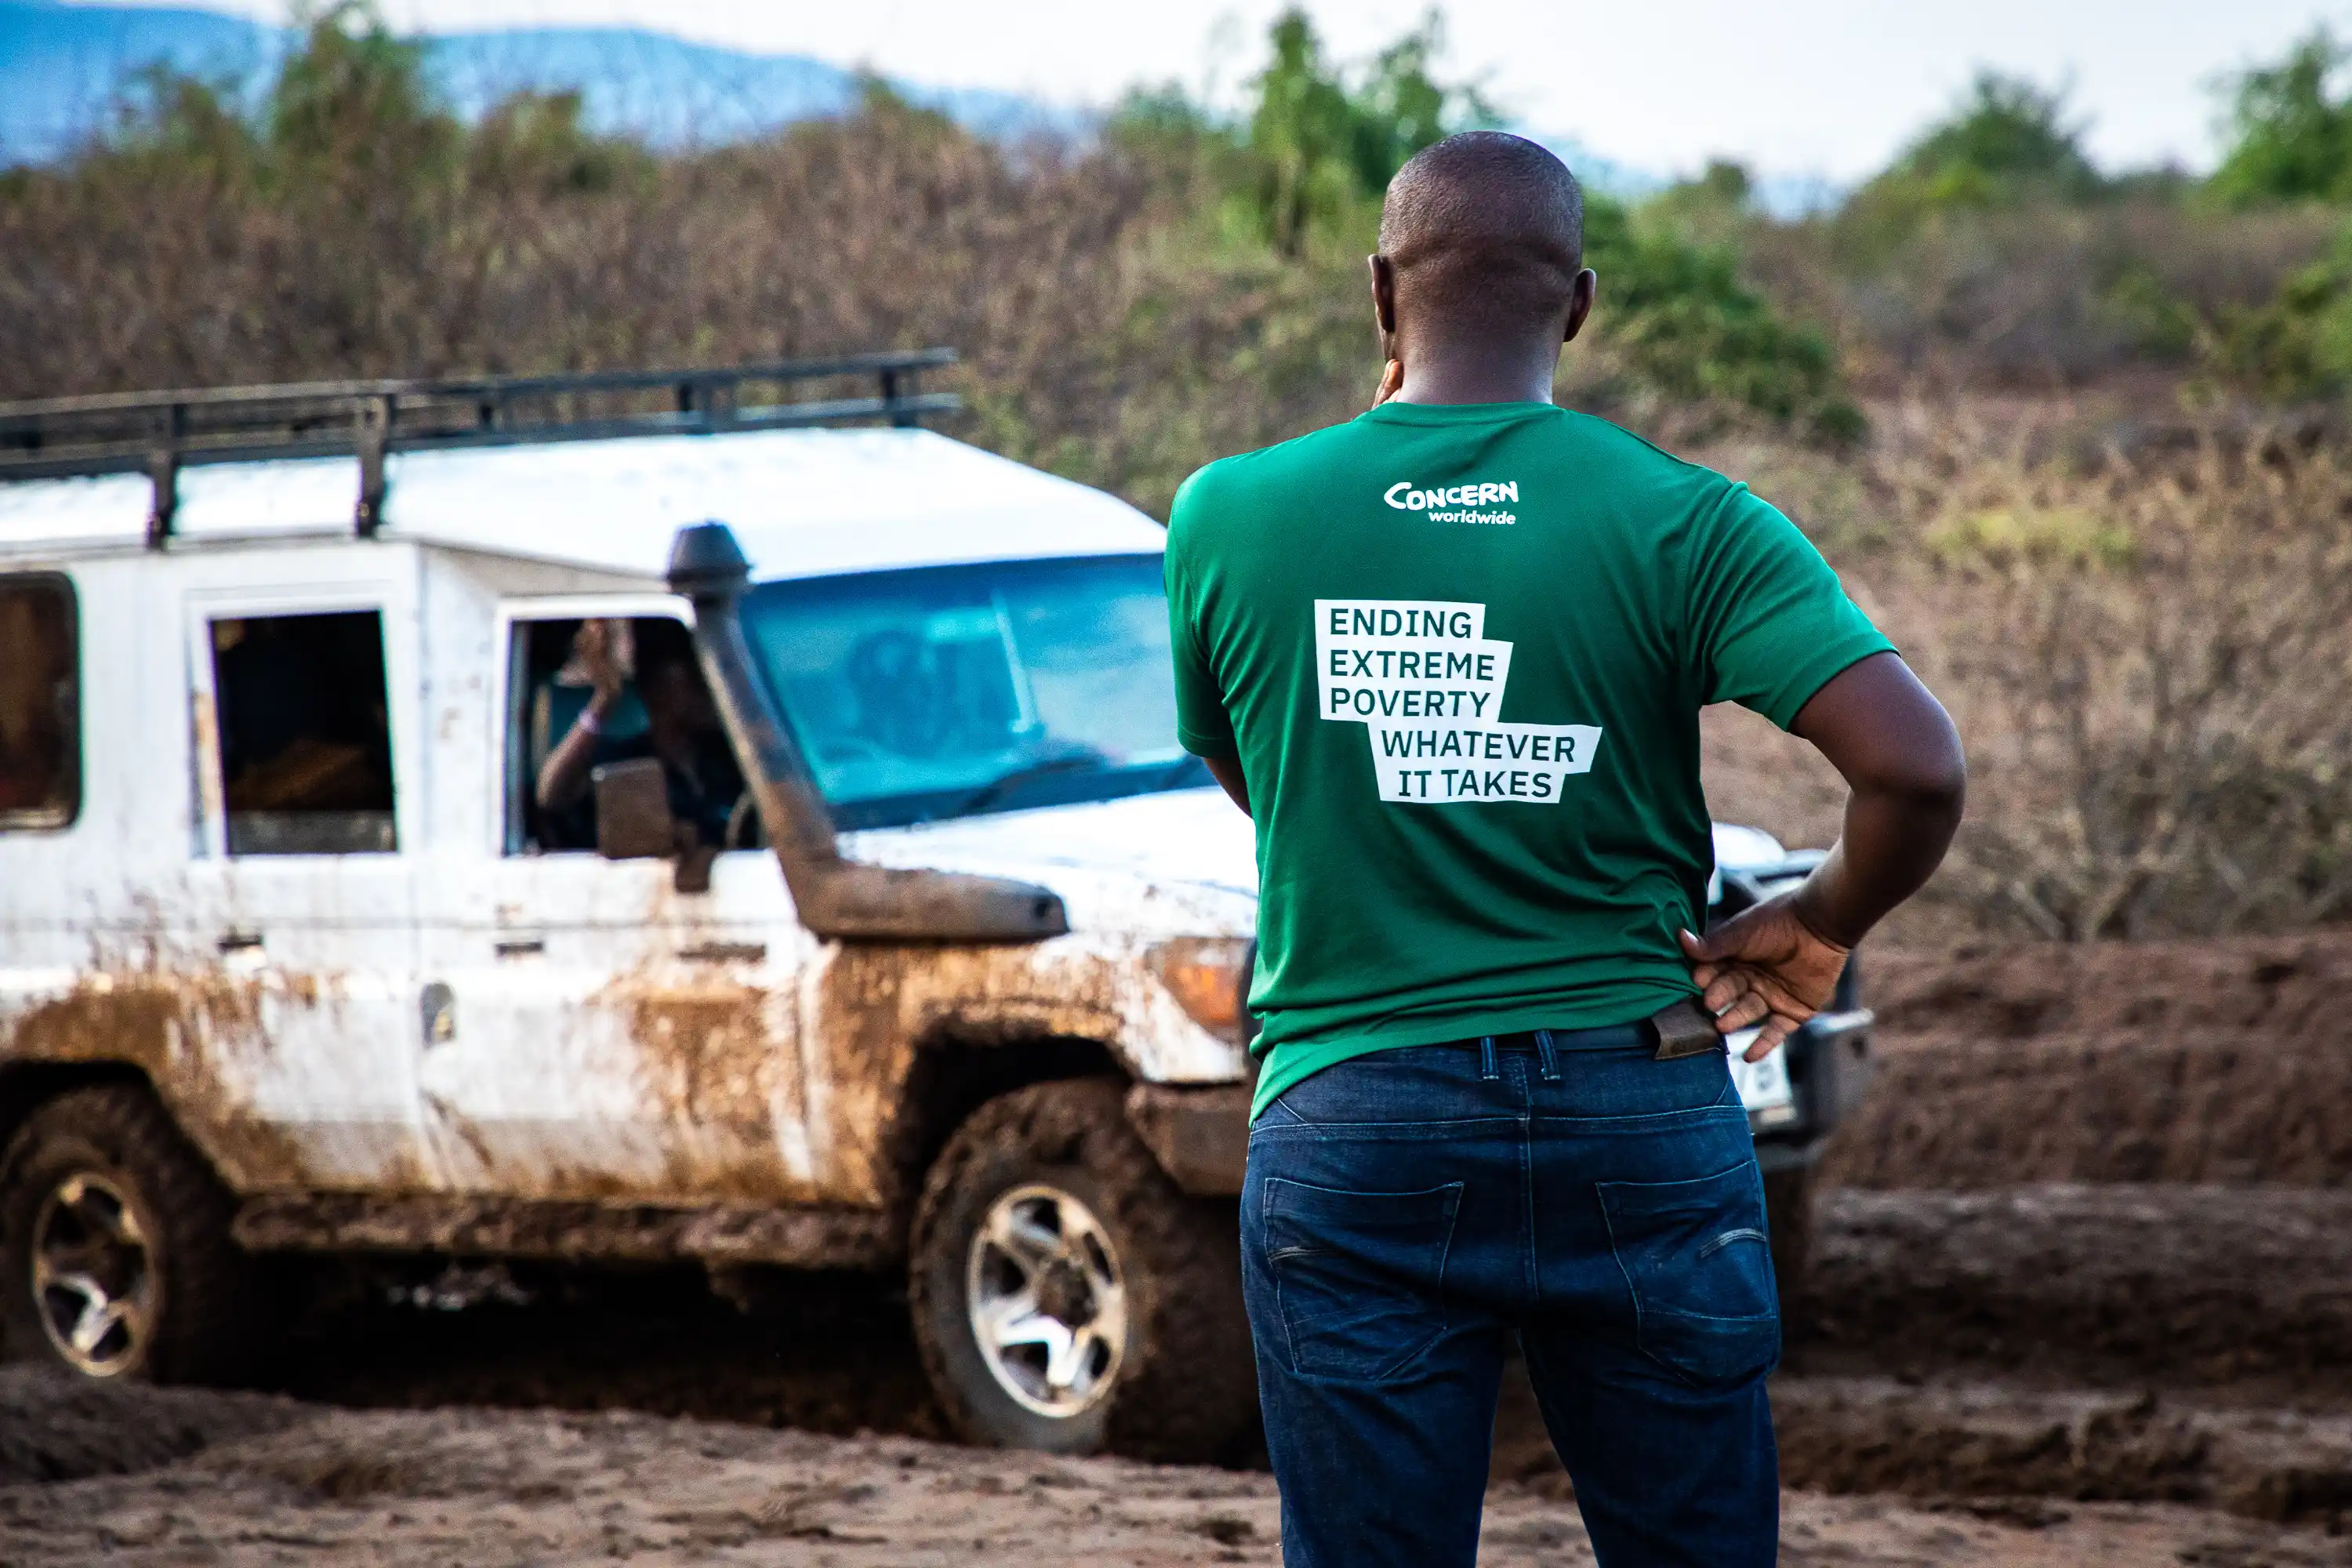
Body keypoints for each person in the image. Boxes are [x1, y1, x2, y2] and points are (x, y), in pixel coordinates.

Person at [1163, 132, 1965, 1567]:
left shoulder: (1229, 512)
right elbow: (1914, 771)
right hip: (1639, 1106)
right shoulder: (1692, 518)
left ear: (1378, 294)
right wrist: (1819, 921)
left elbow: (1266, 777)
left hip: (1353, 1120)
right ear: (1579, 305)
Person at [535, 618, 747, 851]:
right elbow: (552, 795)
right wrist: (605, 698)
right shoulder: (625, 762)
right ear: (654, 684)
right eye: (694, 671)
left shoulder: (737, 759)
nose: (709, 686)